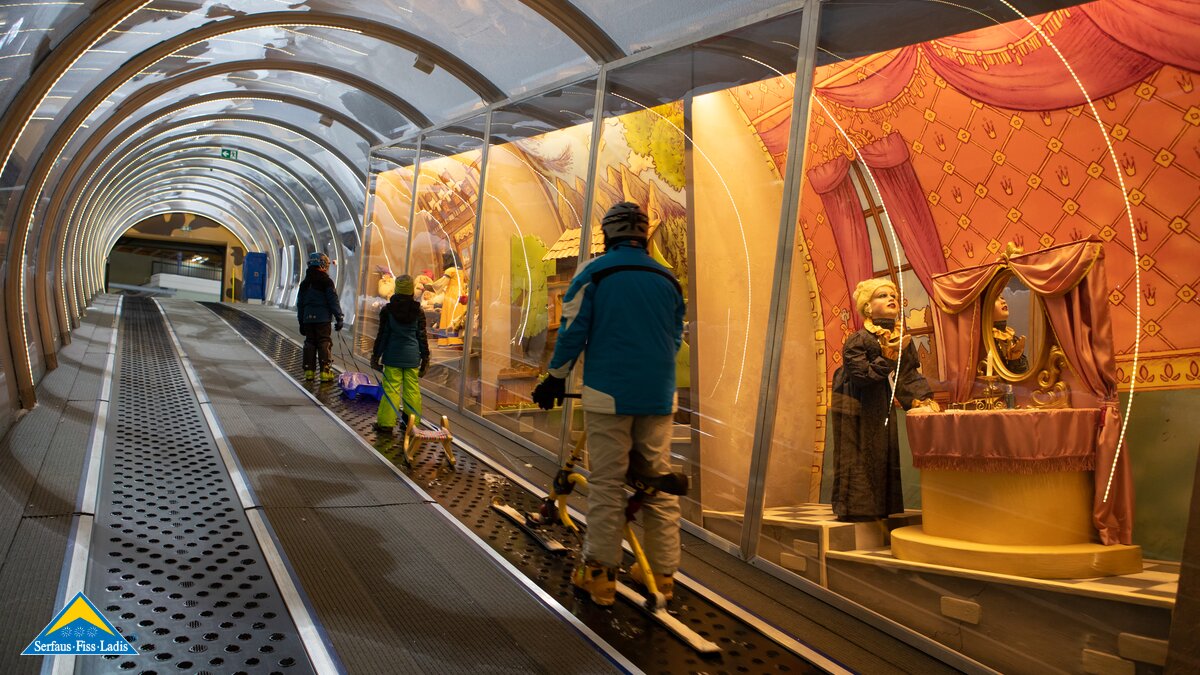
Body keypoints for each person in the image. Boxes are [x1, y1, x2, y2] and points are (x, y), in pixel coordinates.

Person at [531, 201, 686, 607]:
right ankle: (663, 573)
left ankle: (599, 575)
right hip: (658, 396)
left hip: (608, 393)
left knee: (608, 485)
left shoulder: (595, 273)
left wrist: (555, 378)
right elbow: (673, 340)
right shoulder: (667, 280)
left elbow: (572, 332)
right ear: (643, 233)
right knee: (657, 483)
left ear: (608, 234)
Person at [830, 278, 938, 523]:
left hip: (881, 401)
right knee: (857, 451)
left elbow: (908, 373)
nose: (892, 299)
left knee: (881, 449)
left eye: (894, 296)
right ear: (867, 307)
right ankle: (856, 507)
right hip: (856, 401)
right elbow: (860, 375)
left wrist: (922, 399)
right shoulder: (859, 339)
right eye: (882, 296)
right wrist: (887, 357)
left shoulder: (901, 339)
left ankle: (880, 506)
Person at [371, 275, 430, 436]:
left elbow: (382, 335)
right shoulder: (418, 311)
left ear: (397, 289)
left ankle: (386, 424)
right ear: (411, 290)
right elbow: (422, 337)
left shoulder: (388, 310)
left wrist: (375, 356)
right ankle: (411, 423)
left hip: (392, 356)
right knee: (412, 390)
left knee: (391, 389)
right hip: (412, 357)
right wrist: (425, 358)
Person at [297, 252, 344, 382]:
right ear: (322, 265)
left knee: (310, 342)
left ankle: (309, 372)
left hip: (307, 318)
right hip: (322, 319)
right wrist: (339, 317)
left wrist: (301, 321)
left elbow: (300, 304)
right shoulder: (326, 281)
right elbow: (332, 300)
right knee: (324, 342)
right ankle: (325, 372)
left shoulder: (304, 283)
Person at [992, 294, 1028, 373]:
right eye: (997, 299)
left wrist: (1015, 359)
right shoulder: (985, 338)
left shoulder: (1013, 338)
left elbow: (1023, 374)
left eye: (1002, 298)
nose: (1003, 301)